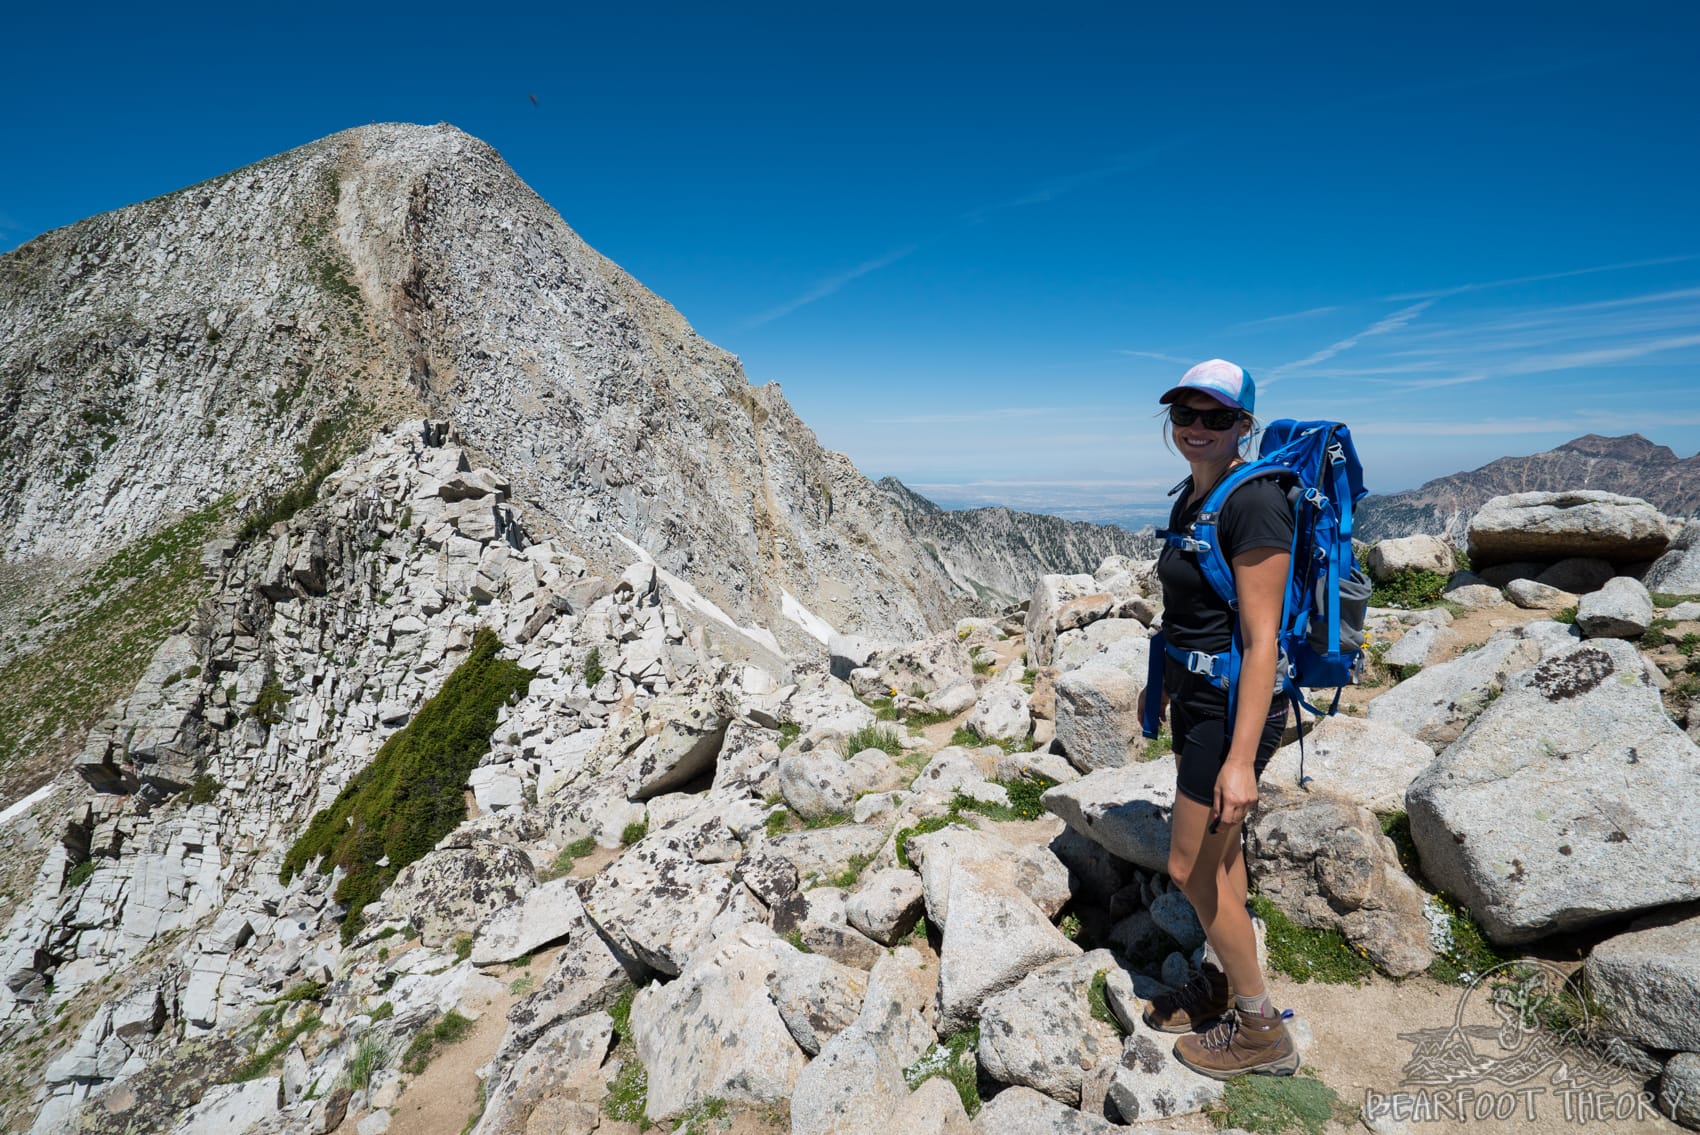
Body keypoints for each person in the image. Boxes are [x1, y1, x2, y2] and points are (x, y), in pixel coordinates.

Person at [1138, 358, 1301, 1078]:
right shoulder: (1194, 496)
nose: (1196, 428)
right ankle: (1225, 978)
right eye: (1185, 414)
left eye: (1216, 416)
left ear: (1245, 424)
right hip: (1200, 700)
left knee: (1188, 866)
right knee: (1222, 855)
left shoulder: (1256, 501)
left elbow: (1264, 640)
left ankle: (1261, 1029)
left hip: (1234, 711)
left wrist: (1239, 760)